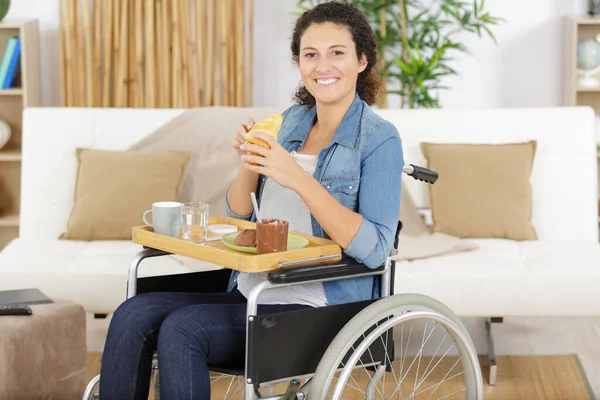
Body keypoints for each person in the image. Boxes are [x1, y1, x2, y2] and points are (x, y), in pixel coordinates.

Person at [98, 2, 403, 399]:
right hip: (253, 287)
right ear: (298, 63)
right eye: (310, 55)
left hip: (318, 306)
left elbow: (376, 249)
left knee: (183, 329)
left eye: (337, 53)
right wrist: (248, 160)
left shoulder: (379, 139)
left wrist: (296, 177)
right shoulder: (291, 121)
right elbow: (239, 214)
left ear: (362, 60)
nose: (322, 66)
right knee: (132, 313)